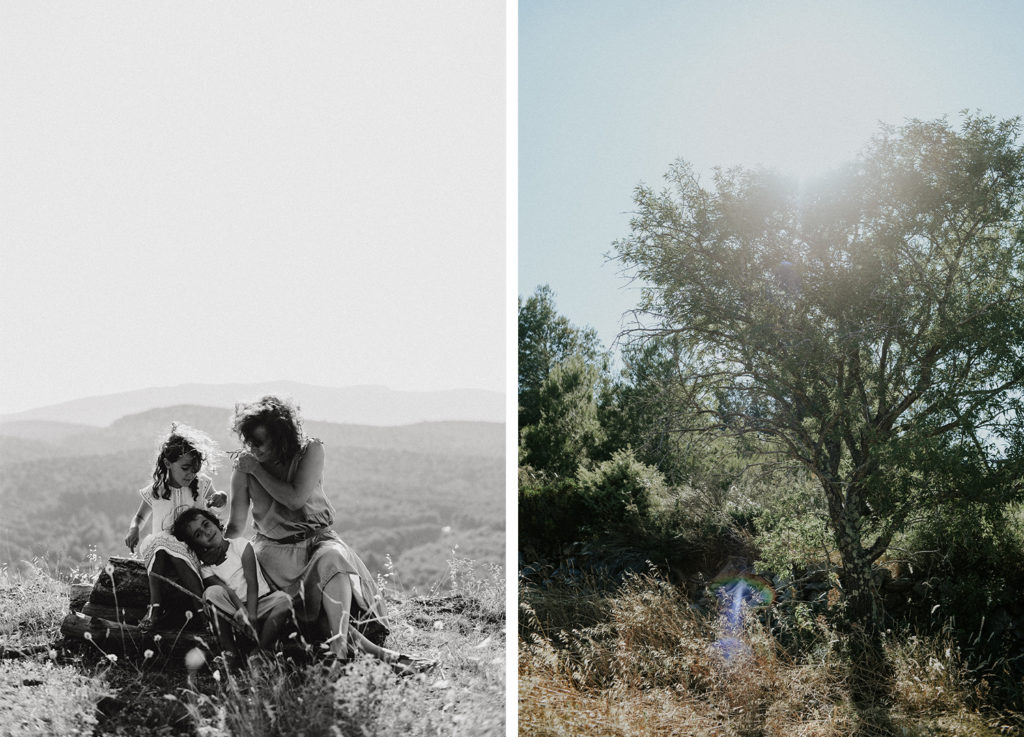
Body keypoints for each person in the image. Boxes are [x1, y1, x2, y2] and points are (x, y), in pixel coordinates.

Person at [226, 395, 434, 674]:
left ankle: (339, 655)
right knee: (319, 613)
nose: (253, 449)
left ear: (279, 435)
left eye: (260, 441)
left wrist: (257, 471)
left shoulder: (310, 450)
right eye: (248, 442)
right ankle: (386, 657)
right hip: (274, 555)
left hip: (318, 542)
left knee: (334, 558)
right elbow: (236, 526)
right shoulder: (245, 469)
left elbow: (295, 499)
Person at [124, 423, 227, 629]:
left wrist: (221, 498)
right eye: (185, 468)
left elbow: (218, 505)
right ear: (168, 462)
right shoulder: (157, 490)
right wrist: (134, 528)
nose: (190, 474)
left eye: (195, 469)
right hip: (158, 551)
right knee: (163, 539)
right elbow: (140, 516)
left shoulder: (201, 485)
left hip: (189, 552)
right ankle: (155, 606)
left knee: (174, 542)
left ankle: (200, 608)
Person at [172, 507, 292, 658]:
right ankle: (229, 652)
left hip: (261, 603)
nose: (206, 532)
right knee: (211, 592)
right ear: (195, 544)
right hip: (235, 610)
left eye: (206, 524)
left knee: (284, 600)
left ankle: (261, 650)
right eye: (198, 534)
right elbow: (226, 591)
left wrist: (252, 616)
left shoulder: (240, 545)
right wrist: (242, 611)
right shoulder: (206, 569)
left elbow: (252, 583)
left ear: (215, 522)